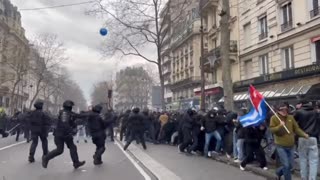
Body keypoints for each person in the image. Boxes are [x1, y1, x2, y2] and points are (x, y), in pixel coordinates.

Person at [270, 103, 309, 180]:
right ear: (278, 110)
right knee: (286, 165)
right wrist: (280, 126)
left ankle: (278, 172)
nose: (284, 111)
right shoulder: (274, 118)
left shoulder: (290, 117)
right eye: (282, 110)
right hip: (281, 146)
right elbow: (272, 130)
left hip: (291, 146)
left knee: (290, 166)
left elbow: (296, 128)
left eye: (286, 109)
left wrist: (304, 134)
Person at [42, 100, 85, 169]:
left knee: (72, 147)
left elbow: (78, 116)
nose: (72, 107)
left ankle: (76, 163)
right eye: (71, 106)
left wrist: (91, 114)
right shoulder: (64, 113)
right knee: (60, 150)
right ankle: (46, 158)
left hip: (65, 134)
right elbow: (65, 125)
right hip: (61, 135)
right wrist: (72, 130)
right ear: (69, 107)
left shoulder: (69, 113)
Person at [294, 100, 320, 180]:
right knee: (313, 161)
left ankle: (304, 177)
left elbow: (293, 122)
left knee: (303, 159)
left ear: (302, 104)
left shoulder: (299, 112)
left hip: (302, 137)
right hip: (313, 137)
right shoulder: (316, 113)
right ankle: (312, 178)